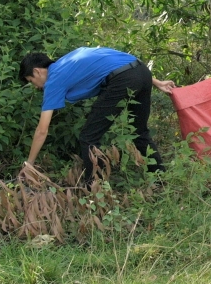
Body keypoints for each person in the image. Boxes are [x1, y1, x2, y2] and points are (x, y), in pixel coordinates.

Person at [19, 48, 175, 183]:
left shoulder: (54, 80)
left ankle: (94, 188)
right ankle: (160, 179)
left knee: (88, 137)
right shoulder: (69, 60)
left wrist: (29, 164)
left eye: (31, 81)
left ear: (37, 71)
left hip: (122, 79)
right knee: (139, 131)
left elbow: (42, 130)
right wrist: (156, 82)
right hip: (142, 71)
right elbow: (119, 63)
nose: (36, 86)